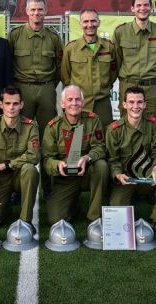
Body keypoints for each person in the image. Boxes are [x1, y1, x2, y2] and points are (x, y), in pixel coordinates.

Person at [105, 86, 156, 236]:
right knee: (117, 215)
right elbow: (112, 160)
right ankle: (130, 197)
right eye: (131, 102)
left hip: (149, 178)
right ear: (124, 104)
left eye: (139, 102)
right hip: (126, 180)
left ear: (145, 105)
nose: (135, 106)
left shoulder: (153, 125)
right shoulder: (114, 129)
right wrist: (119, 175)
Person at [8, 0, 63, 195]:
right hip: (22, 90)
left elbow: (59, 67)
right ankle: (16, 187)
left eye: (40, 9)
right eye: (33, 9)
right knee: (20, 137)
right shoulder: (15, 35)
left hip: (47, 90)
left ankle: (49, 185)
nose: (36, 13)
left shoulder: (54, 37)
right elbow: (9, 63)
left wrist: (50, 86)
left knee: (48, 137)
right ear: (26, 11)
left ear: (46, 11)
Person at [42, 85, 108, 225]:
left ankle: (94, 217)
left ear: (83, 103)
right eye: (70, 99)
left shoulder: (92, 120)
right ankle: (73, 204)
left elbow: (100, 148)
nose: (74, 103)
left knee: (101, 166)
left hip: (87, 172)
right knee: (54, 220)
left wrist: (86, 158)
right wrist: (57, 165)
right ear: (62, 103)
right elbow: (46, 160)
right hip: (65, 178)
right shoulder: (53, 127)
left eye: (77, 99)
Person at [0, 87, 40, 228]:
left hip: (20, 176)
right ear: (1, 104)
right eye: (7, 103)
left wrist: (6, 165)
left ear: (21, 105)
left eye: (15, 103)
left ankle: (26, 220)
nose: (11, 107)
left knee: (30, 169)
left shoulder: (31, 126)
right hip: (0, 180)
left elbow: (34, 155)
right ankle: (5, 206)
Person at [114, 0, 156, 120]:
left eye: (146, 5)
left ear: (151, 7)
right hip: (128, 87)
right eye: (138, 5)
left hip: (152, 90)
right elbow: (117, 60)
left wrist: (153, 79)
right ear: (132, 8)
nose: (142, 8)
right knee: (127, 129)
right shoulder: (121, 32)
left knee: (152, 129)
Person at [61, 8, 119, 126]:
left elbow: (113, 72)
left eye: (93, 21)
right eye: (86, 21)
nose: (90, 25)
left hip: (102, 103)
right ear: (80, 24)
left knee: (103, 138)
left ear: (99, 22)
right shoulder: (71, 48)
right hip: (79, 103)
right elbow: (65, 76)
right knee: (77, 140)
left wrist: (104, 86)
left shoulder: (109, 47)